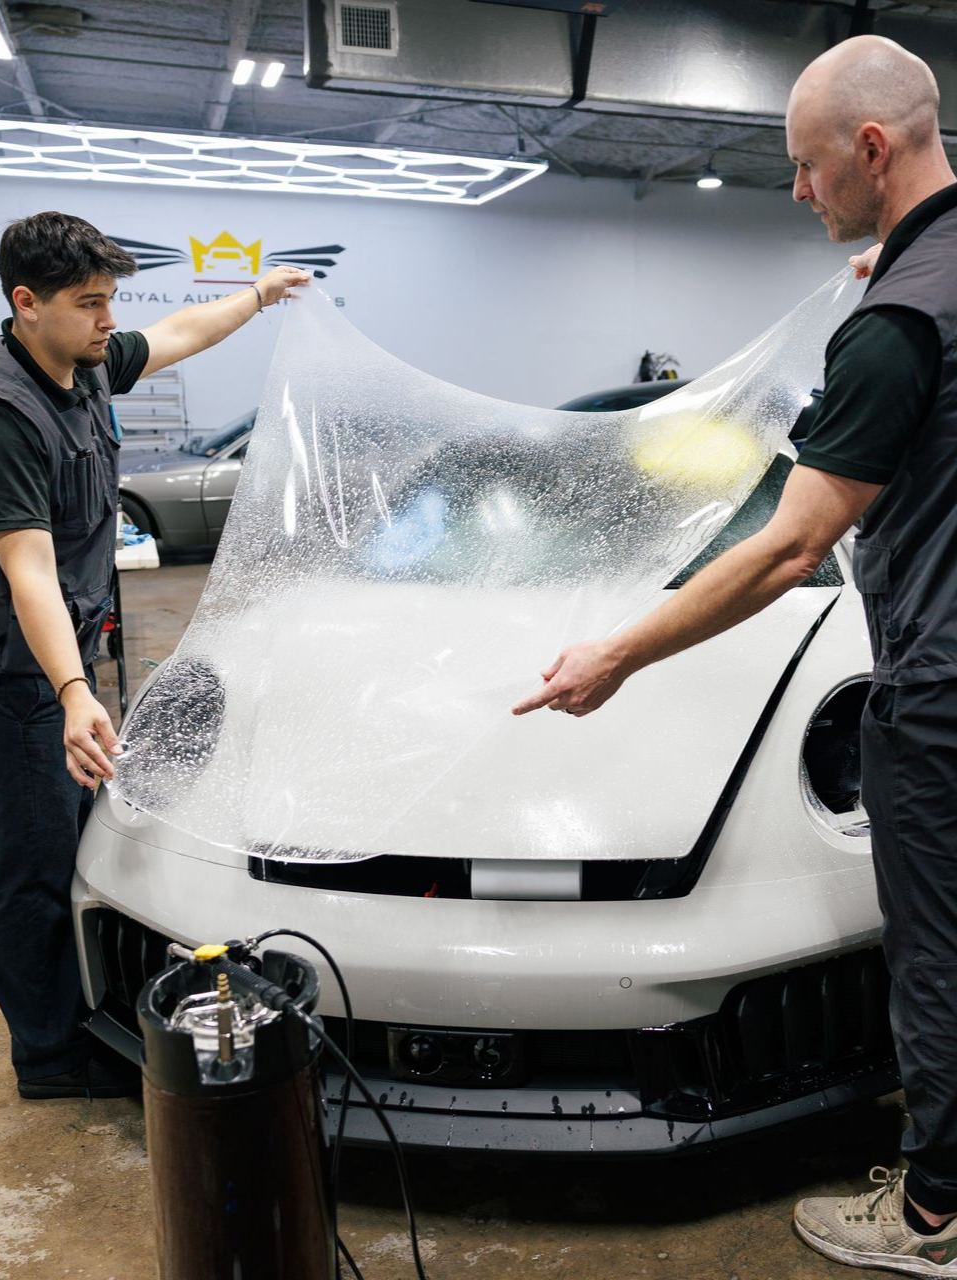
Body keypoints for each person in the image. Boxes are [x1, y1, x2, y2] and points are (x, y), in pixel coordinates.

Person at [513, 34, 957, 1277]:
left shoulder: (895, 329)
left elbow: (782, 548)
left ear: (871, 150)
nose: (799, 191)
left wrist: (617, 652)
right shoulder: (926, 288)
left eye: (809, 167)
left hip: (939, 698)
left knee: (935, 954)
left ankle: (934, 1212)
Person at [0, 211, 308, 1100]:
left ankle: (83, 1007)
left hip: (61, 653)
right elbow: (26, 573)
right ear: (26, 304)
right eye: (89, 303)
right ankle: (51, 1058)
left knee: (81, 837)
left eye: (111, 302)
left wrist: (257, 295)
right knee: (30, 863)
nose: (109, 321)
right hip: (6, 671)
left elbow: (175, 333)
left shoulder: (80, 362)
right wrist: (70, 691)